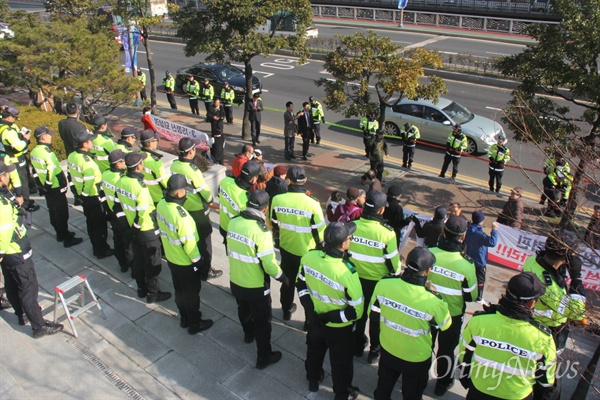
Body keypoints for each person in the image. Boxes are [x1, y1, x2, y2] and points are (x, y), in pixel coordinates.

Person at [457, 272, 557, 400]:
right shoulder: (543, 338)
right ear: (532, 303)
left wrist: (468, 383)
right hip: (517, 396)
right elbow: (545, 381)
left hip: (479, 390)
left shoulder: (479, 322)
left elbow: (464, 356)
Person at [371, 247, 451, 400]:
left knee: (383, 389)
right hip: (416, 359)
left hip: (388, 349)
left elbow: (373, 312)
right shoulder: (434, 301)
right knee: (412, 395)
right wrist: (433, 293)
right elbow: (445, 325)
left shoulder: (384, 284)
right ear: (427, 272)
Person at [296, 221, 363, 399]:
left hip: (315, 321)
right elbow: (357, 311)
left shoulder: (309, 257)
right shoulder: (347, 273)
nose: (350, 240)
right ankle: (341, 393)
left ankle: (312, 379)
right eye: (349, 238)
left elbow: (300, 284)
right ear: (343, 244)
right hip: (339, 329)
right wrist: (331, 317)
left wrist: (311, 311)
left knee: (314, 352)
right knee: (341, 363)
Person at [0, 160, 65, 338]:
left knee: (12, 283)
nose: (8, 176)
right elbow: (4, 234)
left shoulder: (4, 196)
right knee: (28, 287)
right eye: (6, 174)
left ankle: (21, 314)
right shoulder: (2, 206)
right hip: (15, 251)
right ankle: (38, 325)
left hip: (9, 254)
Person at [227, 189, 288, 369]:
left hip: (236, 280)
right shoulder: (262, 232)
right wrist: (283, 277)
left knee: (243, 309)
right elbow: (269, 265)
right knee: (263, 322)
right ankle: (264, 356)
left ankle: (248, 334)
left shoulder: (234, 222)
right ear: (264, 209)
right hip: (256, 285)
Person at [427, 216, 478, 396]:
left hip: (428, 310)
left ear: (443, 232)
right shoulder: (467, 265)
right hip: (453, 315)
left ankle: (418, 378)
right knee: (447, 350)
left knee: (426, 344)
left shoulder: (429, 253)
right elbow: (472, 295)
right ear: (463, 237)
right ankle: (442, 384)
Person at [348, 190, 400, 364]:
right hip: (378, 284)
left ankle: (355, 347)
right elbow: (394, 265)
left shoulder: (352, 225)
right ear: (381, 210)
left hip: (354, 279)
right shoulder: (387, 233)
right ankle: (374, 352)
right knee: (376, 318)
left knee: (358, 314)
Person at [156, 174, 213, 335]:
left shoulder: (161, 204)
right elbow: (190, 246)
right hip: (186, 263)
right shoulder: (182, 218)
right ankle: (195, 323)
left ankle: (184, 318)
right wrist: (200, 264)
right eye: (185, 190)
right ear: (180, 193)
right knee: (191, 295)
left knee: (179, 291)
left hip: (172, 260)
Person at [271, 166, 325, 323]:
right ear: (305, 180)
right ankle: (308, 321)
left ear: (288, 180)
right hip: (308, 254)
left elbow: (274, 224)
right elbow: (320, 234)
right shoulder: (313, 204)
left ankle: (286, 310)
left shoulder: (277, 199)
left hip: (287, 249)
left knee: (287, 283)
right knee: (309, 288)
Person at [116, 152, 171, 304]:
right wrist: (136, 227)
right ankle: (153, 294)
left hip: (133, 230)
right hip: (146, 231)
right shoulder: (140, 187)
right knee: (153, 263)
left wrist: (129, 228)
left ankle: (141, 289)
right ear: (139, 166)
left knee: (138, 260)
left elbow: (117, 204)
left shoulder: (121, 181)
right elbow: (142, 212)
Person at [522, 230, 586, 355]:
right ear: (566, 256)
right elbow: (576, 313)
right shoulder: (547, 286)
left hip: (534, 323)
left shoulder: (534, 260)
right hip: (548, 331)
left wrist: (561, 266)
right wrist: (576, 277)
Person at [171, 137, 222, 280]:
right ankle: (206, 271)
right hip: (197, 209)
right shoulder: (192, 170)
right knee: (205, 240)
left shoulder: (175, 165)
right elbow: (204, 192)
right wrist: (210, 200)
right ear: (191, 151)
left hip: (183, 206)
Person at [30, 126, 82, 248]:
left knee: (52, 211)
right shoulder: (49, 154)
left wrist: (42, 186)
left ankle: (60, 233)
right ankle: (66, 238)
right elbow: (52, 171)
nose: (51, 136)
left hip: (46, 188)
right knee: (62, 213)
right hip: (55, 187)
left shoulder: (34, 152)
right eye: (49, 135)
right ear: (43, 137)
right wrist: (51, 185)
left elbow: (34, 171)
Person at [67, 131, 113, 259]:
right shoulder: (87, 162)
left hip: (83, 195)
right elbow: (88, 181)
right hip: (93, 196)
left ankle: (95, 245)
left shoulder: (72, 156)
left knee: (90, 222)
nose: (92, 142)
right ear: (85, 144)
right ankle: (101, 249)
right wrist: (85, 195)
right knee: (99, 224)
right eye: (90, 141)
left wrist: (80, 195)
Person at [0, 106, 38, 212]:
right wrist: (25, 139)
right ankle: (25, 204)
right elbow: (19, 147)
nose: (15, 120)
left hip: (8, 157)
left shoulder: (2, 125)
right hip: (16, 159)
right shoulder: (7, 131)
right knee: (22, 181)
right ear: (9, 117)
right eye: (15, 118)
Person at [100, 149, 133, 273]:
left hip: (112, 214)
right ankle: (132, 266)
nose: (126, 163)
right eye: (124, 161)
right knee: (128, 245)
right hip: (123, 217)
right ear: (118, 164)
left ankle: (122, 264)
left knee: (117, 240)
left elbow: (102, 194)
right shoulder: (121, 180)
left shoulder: (106, 174)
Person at [218, 160, 261, 245]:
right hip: (235, 234)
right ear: (254, 179)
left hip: (223, 227)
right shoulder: (245, 200)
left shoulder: (225, 180)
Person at [464, 211, 498, 303]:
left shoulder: (469, 230)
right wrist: (494, 230)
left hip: (469, 258)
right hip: (479, 261)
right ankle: (479, 297)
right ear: (481, 221)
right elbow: (492, 242)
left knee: (469, 277)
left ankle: (467, 293)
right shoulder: (480, 234)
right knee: (480, 279)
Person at [139, 129, 168, 205]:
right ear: (150, 143)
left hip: (147, 196)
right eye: (156, 140)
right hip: (158, 197)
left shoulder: (139, 156)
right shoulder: (155, 162)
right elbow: (165, 182)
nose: (157, 142)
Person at [208, 97, 226, 165]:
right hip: (214, 124)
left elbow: (223, 114)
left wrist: (221, 118)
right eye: (216, 103)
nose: (217, 104)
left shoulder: (221, 108)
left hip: (220, 124)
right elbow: (208, 115)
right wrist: (213, 117)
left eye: (218, 103)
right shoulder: (211, 107)